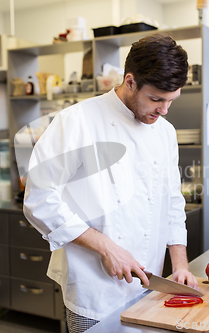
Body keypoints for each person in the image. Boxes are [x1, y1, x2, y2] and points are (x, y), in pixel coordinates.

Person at [23, 33, 198, 333]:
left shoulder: (165, 132)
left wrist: (179, 264)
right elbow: (39, 198)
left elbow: (172, 201)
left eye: (171, 100)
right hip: (94, 290)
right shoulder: (76, 121)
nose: (164, 110)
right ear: (130, 81)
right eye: (156, 99)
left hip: (148, 285)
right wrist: (106, 247)